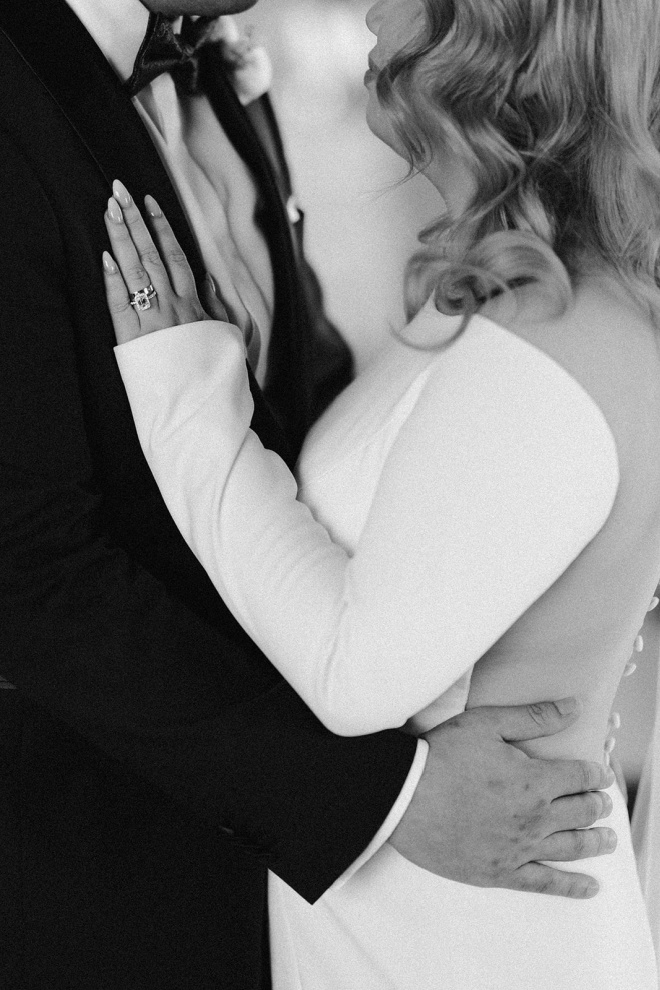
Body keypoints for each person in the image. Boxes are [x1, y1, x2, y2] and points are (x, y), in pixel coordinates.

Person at [0, 0, 618, 987]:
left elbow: (299, 403)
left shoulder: (214, 67)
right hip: (101, 864)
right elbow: (29, 577)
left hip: (323, 895)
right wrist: (383, 798)